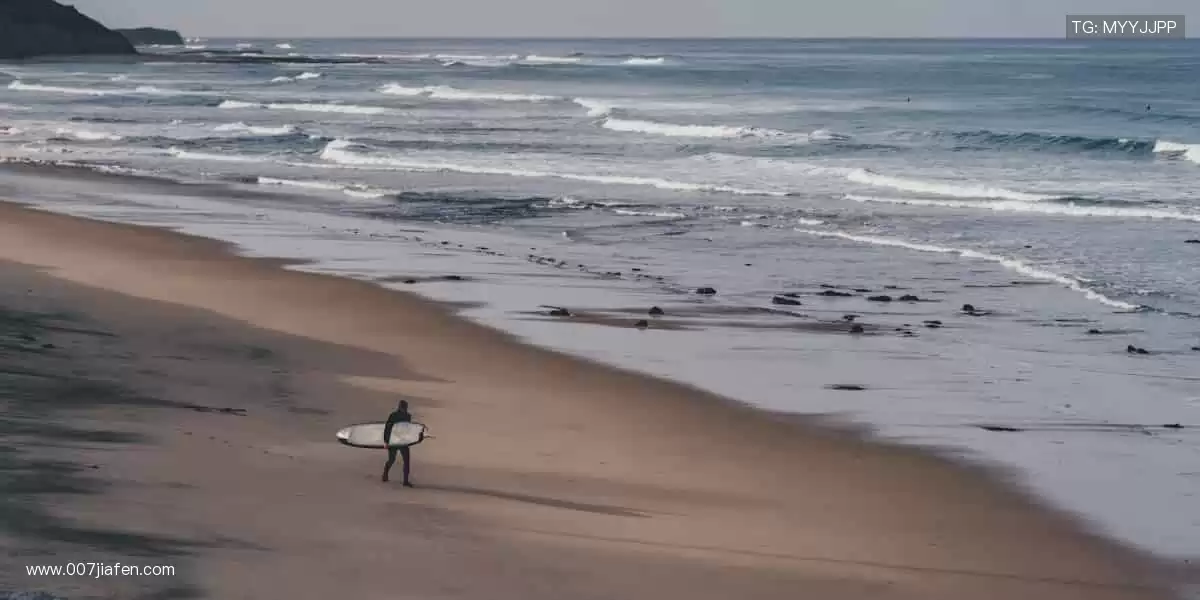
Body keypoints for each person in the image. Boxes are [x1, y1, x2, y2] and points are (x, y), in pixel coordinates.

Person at [382, 400, 416, 486]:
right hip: (393, 441)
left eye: (405, 407)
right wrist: (386, 441)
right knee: (392, 459)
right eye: (403, 407)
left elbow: (408, 429)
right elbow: (388, 429)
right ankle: (385, 474)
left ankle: (405, 481)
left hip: (403, 441)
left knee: (406, 461)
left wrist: (410, 439)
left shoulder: (408, 416)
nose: (404, 409)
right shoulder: (393, 415)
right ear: (400, 407)